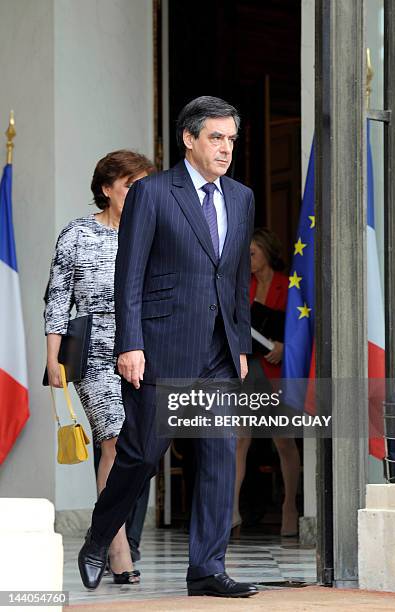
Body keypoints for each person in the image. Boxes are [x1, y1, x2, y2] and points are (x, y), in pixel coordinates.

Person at [78, 96, 259, 598]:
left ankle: (206, 568)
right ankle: (98, 538)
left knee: (220, 456)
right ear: (189, 138)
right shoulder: (154, 193)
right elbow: (128, 274)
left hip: (220, 350)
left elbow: (238, 275)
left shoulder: (241, 197)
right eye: (216, 138)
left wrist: (239, 341)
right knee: (140, 455)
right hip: (162, 344)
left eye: (231, 140)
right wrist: (129, 343)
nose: (225, 149)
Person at [45, 150, 155, 584]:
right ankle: (117, 551)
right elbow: (58, 297)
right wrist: (52, 358)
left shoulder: (152, 233)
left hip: (144, 347)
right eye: (131, 184)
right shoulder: (76, 233)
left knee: (141, 447)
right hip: (93, 347)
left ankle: (108, 536)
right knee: (112, 441)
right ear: (107, 188)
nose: (138, 193)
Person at [232, 228, 301, 537]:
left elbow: (300, 330)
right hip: (249, 370)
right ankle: (231, 510)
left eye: (252, 253)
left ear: (267, 253)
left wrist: (285, 348)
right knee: (240, 439)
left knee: (283, 440)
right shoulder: (241, 287)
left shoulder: (289, 287)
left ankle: (289, 506)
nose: (248, 259)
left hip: (278, 371)